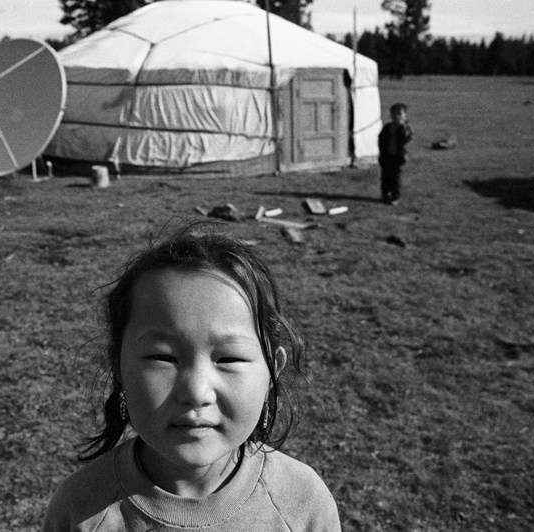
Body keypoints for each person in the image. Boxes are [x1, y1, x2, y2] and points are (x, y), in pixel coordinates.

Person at [43, 227, 341, 531]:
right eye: (163, 358)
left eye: (229, 358)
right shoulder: (80, 509)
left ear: (271, 373)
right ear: (117, 365)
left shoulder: (304, 505)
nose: (196, 392)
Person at [378, 102, 413, 205]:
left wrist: (402, 126)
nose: (397, 116)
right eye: (394, 114)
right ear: (390, 115)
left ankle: (395, 196)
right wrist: (382, 153)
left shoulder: (405, 128)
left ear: (405, 116)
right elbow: (381, 139)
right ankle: (385, 194)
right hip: (386, 155)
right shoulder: (387, 127)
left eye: (400, 114)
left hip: (397, 157)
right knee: (385, 177)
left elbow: (406, 138)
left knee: (395, 178)